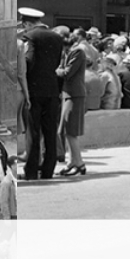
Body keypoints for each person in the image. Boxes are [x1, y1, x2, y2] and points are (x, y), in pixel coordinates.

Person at [19, 8, 64, 180]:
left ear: (27, 24)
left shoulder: (30, 37)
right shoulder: (57, 37)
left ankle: (31, 171)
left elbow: (28, 60)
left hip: (34, 90)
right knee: (50, 131)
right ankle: (48, 170)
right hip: (51, 89)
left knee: (33, 132)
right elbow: (57, 62)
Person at [56, 28, 88, 176]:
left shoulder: (77, 52)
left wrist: (56, 70)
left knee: (71, 131)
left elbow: (67, 72)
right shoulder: (67, 52)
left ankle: (79, 163)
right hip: (68, 94)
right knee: (66, 131)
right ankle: (73, 161)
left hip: (74, 94)